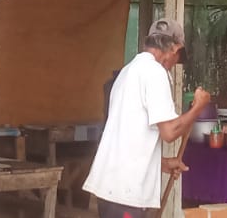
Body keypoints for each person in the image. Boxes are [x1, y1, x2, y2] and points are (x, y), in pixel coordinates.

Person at [85, 19, 211, 218]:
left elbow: (129, 138)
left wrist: (161, 163)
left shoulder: (128, 71)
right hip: (126, 192)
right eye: (178, 57)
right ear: (175, 48)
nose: (174, 65)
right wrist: (198, 108)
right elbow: (169, 132)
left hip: (113, 188)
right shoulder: (155, 72)